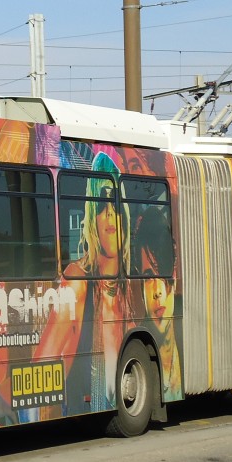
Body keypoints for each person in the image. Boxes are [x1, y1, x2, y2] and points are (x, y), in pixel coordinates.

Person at [36, 152, 126, 413]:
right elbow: (44, 362)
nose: (110, 214)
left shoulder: (135, 290)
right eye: (100, 205)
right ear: (91, 217)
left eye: (115, 203)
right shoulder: (77, 280)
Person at [134, 206, 182, 398]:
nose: (156, 292)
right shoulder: (136, 333)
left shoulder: (190, 348)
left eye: (161, 272)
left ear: (174, 273)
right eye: (147, 277)